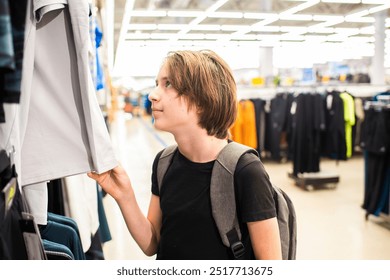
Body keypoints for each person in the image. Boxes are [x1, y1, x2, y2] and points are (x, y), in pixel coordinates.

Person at [87, 49, 282, 260]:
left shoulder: (245, 170)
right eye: (156, 83)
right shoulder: (164, 162)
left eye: (168, 84)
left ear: (202, 99)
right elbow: (152, 243)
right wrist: (125, 196)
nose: (153, 94)